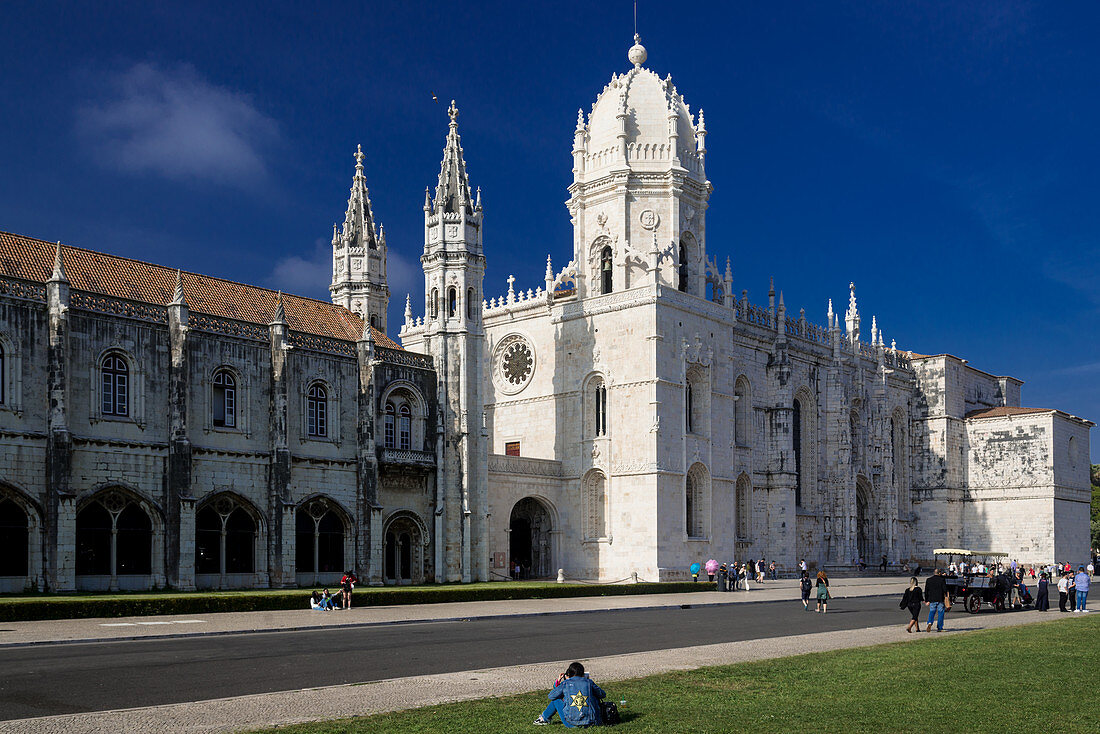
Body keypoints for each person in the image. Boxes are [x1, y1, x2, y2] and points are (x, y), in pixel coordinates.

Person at [534, 661, 605, 727]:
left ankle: (544, 719)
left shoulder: (566, 683)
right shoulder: (589, 682)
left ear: (569, 673)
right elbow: (602, 694)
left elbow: (551, 696)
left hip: (571, 723)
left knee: (556, 700)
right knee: (595, 696)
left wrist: (559, 681)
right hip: (591, 722)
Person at [924, 567, 950, 632]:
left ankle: (930, 622)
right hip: (940, 598)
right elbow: (944, 589)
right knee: (940, 613)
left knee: (932, 611)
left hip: (932, 598)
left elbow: (926, 591)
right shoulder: (941, 580)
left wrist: (927, 600)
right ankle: (939, 627)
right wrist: (947, 596)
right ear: (939, 573)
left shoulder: (928, 580)